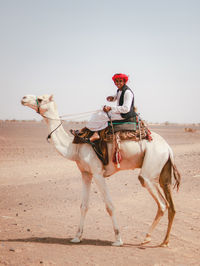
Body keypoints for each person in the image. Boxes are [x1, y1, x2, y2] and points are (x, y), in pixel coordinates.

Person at [86, 73, 135, 142]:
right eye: (116, 81)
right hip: (120, 112)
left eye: (120, 81)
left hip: (124, 115)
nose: (118, 83)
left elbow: (126, 109)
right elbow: (116, 96)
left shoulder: (127, 92)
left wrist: (111, 108)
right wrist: (112, 98)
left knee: (101, 115)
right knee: (99, 113)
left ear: (124, 81)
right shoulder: (119, 90)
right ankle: (95, 133)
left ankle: (95, 134)